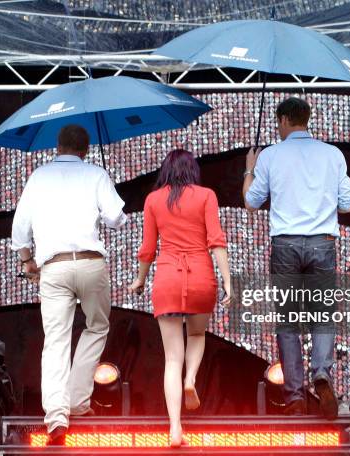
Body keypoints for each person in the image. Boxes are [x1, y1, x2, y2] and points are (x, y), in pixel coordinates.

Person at [242, 97, 350, 419]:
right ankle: (321, 372)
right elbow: (348, 204)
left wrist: (250, 168)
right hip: (322, 243)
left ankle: (294, 395)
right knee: (323, 315)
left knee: (289, 322)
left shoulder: (270, 156)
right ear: (307, 119)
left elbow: (252, 202)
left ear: (281, 120)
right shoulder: (332, 155)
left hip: (285, 246)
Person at [11, 124, 127, 445]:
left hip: (54, 267)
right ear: (85, 150)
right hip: (90, 264)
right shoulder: (96, 174)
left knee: (56, 340)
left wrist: (27, 261)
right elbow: (118, 218)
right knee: (97, 327)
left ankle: (57, 416)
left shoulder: (39, 177)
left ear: (57, 147)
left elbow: (19, 230)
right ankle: (78, 400)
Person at [128, 149, 231, 447]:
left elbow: (148, 248)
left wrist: (139, 279)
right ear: (192, 171)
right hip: (200, 275)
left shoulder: (153, 200)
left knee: (172, 357)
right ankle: (191, 379)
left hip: (168, 278)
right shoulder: (206, 196)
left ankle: (175, 428)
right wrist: (228, 281)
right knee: (197, 334)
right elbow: (216, 241)